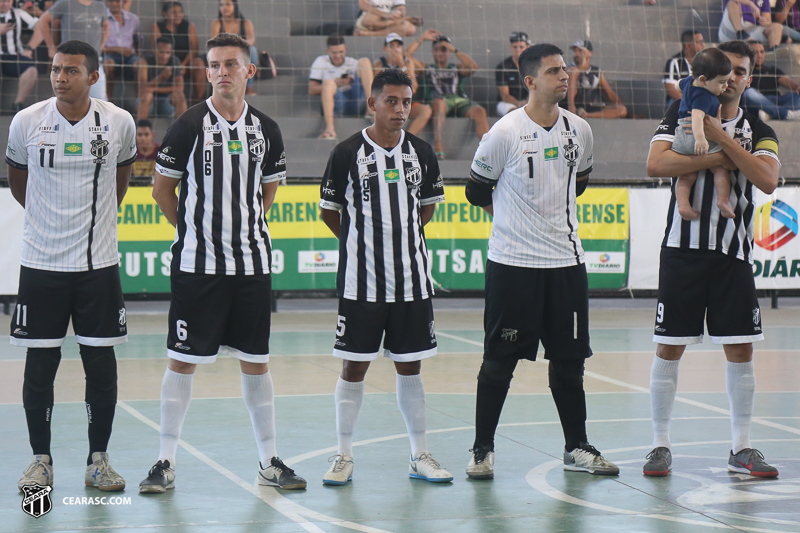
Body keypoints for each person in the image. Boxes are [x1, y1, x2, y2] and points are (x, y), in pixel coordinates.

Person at [138, 32, 306, 494]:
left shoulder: (266, 129)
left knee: (256, 362)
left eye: (231, 63)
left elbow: (269, 189)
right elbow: (161, 191)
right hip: (198, 266)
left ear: (249, 70)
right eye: (214, 64)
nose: (222, 71)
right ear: (206, 71)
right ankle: (164, 461)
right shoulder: (189, 125)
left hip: (251, 265)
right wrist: (193, 231)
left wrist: (247, 226)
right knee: (182, 361)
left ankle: (269, 460)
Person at [464, 43, 619, 480]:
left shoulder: (580, 130)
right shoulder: (504, 133)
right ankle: (482, 450)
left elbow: (580, 182)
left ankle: (577, 447)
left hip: (566, 264)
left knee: (569, 364)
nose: (564, 76)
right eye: (554, 71)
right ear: (530, 81)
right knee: (499, 362)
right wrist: (514, 220)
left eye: (565, 69)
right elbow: (476, 191)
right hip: (513, 265)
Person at [644, 40, 780, 479]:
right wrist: (723, 155)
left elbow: (767, 179)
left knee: (740, 348)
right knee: (669, 347)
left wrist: (719, 140)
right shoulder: (681, 111)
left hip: (732, 254)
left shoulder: (759, 127)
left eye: (742, 72)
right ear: (715, 73)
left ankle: (741, 447)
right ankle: (659, 445)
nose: (735, 77)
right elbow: (655, 164)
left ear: (748, 78)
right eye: (730, 70)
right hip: (682, 251)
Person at [6, 39, 136, 492]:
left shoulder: (119, 122)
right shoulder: (26, 122)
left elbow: (122, 179)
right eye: (56, 69)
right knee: (40, 368)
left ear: (93, 76)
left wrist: (96, 222)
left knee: (100, 366)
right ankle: (40, 461)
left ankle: (98, 459)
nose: (60, 77)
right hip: (40, 265)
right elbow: (19, 184)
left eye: (71, 71)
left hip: (98, 265)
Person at [318, 68, 451, 486]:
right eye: (391, 101)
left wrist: (401, 238)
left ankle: (419, 454)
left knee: (410, 368)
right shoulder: (345, 153)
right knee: (353, 368)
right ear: (372, 103)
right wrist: (361, 241)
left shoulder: (422, 152)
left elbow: (426, 208)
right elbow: (328, 212)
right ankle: (342, 454)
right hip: (362, 282)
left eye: (406, 101)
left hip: (411, 280)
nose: (400, 109)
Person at [670, 48, 735, 220]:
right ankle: (722, 200)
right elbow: (698, 117)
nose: (726, 86)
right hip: (696, 134)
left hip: (681, 134)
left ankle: (683, 205)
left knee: (685, 175)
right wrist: (700, 139)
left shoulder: (688, 82)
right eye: (722, 82)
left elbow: (677, 85)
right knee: (720, 168)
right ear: (703, 80)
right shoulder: (704, 97)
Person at [407, 32, 488, 159]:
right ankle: (438, 144)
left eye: (444, 49)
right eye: (437, 49)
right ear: (432, 52)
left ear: (448, 52)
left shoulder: (456, 67)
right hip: (438, 101)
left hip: (459, 100)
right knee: (439, 103)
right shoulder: (426, 68)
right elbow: (406, 56)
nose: (440, 52)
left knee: (480, 111)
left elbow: (473, 67)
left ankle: (488, 148)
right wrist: (421, 38)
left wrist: (454, 49)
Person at [34, 0, 109, 100]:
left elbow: (106, 25)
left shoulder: (100, 6)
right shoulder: (65, 3)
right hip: (69, 62)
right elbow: (43, 20)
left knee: (99, 99)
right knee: (66, 100)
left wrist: (102, 45)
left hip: (93, 60)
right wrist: (50, 47)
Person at [308, 34, 374, 140]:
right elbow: (312, 89)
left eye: (341, 52)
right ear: (328, 51)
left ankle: (371, 109)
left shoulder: (352, 62)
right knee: (328, 83)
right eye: (334, 53)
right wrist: (335, 84)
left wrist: (351, 81)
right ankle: (330, 129)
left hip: (356, 99)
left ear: (345, 49)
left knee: (365, 61)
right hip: (337, 102)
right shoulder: (321, 61)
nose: (338, 56)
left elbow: (368, 78)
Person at [373, 32, 431, 135]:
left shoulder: (407, 62)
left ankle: (405, 141)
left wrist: (402, 65)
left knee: (426, 111)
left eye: (398, 46)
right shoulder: (379, 63)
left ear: (402, 49)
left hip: (406, 102)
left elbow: (414, 87)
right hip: (388, 102)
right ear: (385, 49)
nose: (396, 49)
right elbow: (377, 87)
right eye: (392, 46)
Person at [152, 1, 206, 104]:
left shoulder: (189, 26)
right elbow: (156, 49)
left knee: (199, 63)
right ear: (165, 14)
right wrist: (176, 65)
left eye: (180, 12)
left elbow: (194, 48)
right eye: (174, 12)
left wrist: (183, 64)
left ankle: (198, 101)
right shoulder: (157, 27)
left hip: (186, 62)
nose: (178, 15)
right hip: (166, 61)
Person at [566, 40, 627, 119]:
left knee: (622, 110)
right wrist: (581, 67)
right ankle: (572, 109)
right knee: (574, 71)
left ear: (590, 53)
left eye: (580, 51)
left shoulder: (596, 72)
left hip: (588, 108)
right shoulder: (569, 68)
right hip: (569, 107)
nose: (576, 54)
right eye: (575, 51)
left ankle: (586, 115)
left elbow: (609, 93)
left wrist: (627, 113)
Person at [741, 41, 800, 120]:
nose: (759, 55)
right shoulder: (743, 71)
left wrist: (798, 86)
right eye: (755, 52)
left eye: (762, 52)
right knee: (749, 93)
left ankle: (770, 113)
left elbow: (788, 82)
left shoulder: (772, 70)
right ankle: (787, 114)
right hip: (756, 103)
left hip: (776, 100)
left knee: (798, 94)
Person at [210, 0, 257, 95]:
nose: (224, 8)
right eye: (221, 5)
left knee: (252, 50)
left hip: (241, 51)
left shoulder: (245, 22)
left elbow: (251, 39)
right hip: (223, 52)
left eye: (227, 4)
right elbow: (214, 41)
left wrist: (239, 46)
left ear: (234, 5)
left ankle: (248, 87)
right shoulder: (217, 23)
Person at [0, 0, 39, 112]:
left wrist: (30, 48)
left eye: (8, 1)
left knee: (31, 69)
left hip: (14, 56)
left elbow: (41, 28)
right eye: (2, 1)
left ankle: (18, 103)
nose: (5, 4)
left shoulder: (18, 13)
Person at [137, 37, 187, 120]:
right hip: (147, 102)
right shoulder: (145, 61)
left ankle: (182, 131)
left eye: (168, 52)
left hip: (167, 102)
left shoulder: (175, 61)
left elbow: (180, 88)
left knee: (179, 96)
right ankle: (141, 129)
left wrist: (154, 89)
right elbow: (142, 89)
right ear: (154, 50)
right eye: (161, 52)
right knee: (147, 96)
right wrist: (161, 77)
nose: (164, 56)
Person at [102, 0, 141, 102]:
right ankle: (108, 101)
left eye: (117, 1)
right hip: (109, 53)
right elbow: (98, 45)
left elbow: (138, 40)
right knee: (107, 65)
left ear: (123, 2)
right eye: (111, 1)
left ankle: (138, 100)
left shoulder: (133, 19)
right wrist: (118, 49)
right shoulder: (102, 17)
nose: (114, 4)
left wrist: (137, 54)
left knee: (139, 66)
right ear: (107, 2)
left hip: (129, 55)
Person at [663, 30, 705, 108]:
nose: (703, 45)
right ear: (688, 45)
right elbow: (670, 89)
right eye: (699, 42)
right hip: (682, 101)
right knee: (674, 103)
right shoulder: (674, 62)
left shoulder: (705, 62)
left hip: (700, 99)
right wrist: (690, 103)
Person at [495, 31, 530, 116]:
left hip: (529, 102)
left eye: (521, 47)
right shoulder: (503, 66)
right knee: (515, 113)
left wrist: (527, 104)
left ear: (527, 47)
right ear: (511, 48)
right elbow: (504, 95)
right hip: (508, 103)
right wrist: (519, 104)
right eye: (515, 47)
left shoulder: (532, 66)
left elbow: (534, 90)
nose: (518, 50)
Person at [354, 0, 421, 37]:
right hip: (371, 19)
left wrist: (400, 13)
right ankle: (403, 20)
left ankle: (369, 34)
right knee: (368, 20)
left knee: (411, 29)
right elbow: (362, 5)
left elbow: (401, 8)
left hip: (389, 21)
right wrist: (385, 15)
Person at [132, 119, 159, 183]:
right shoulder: (131, 151)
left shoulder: (160, 150)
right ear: (135, 135)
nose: (143, 138)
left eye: (146, 135)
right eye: (140, 135)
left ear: (152, 135)